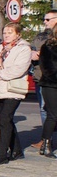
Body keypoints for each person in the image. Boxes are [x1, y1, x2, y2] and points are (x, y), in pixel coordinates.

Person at [0, 22, 31, 165]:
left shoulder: (23, 49)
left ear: (17, 34)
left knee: (4, 119)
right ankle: (16, 150)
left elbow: (19, 69)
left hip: (12, 89)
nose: (7, 35)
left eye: (10, 32)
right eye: (5, 32)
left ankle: (2, 154)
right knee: (6, 120)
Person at [29, 9, 57, 150]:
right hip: (43, 78)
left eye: (48, 19)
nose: (45, 22)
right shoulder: (41, 37)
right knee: (45, 109)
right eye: (44, 19)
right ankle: (47, 141)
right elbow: (32, 52)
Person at [37, 29, 57, 157]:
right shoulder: (48, 47)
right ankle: (46, 143)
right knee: (53, 114)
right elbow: (45, 67)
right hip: (50, 84)